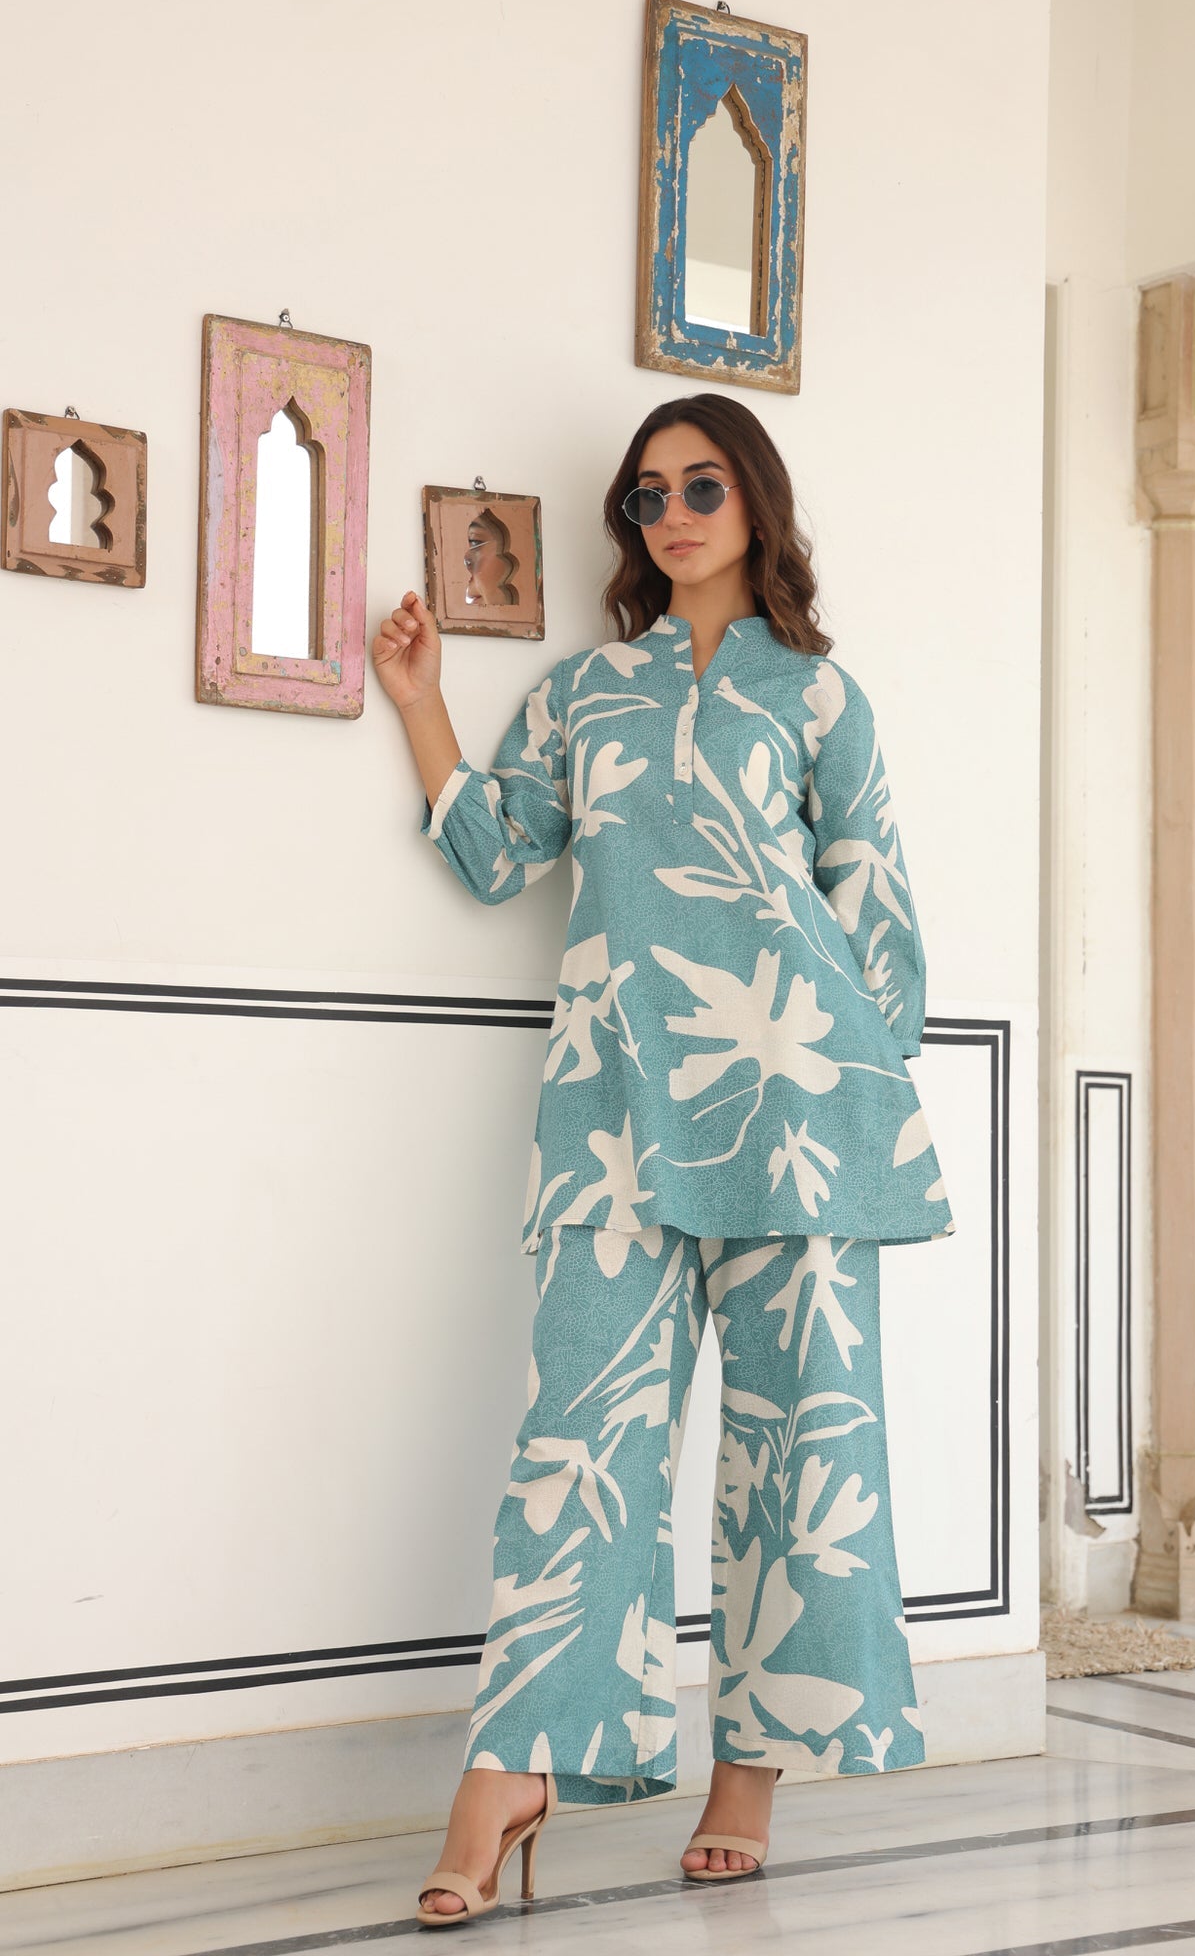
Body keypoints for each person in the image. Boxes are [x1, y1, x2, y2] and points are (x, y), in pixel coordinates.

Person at [371, 392, 955, 1927]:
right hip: (612, 1116)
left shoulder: (816, 696)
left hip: (798, 1110)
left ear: (754, 501)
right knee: (577, 1446)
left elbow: (876, 910)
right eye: (647, 495)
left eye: (701, 486)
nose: (673, 514)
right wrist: (422, 703)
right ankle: (511, 1772)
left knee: (803, 1449)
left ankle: (748, 1775)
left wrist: (859, 1089)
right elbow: (499, 852)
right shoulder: (586, 690)